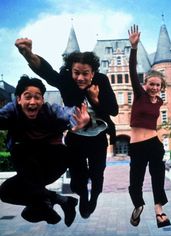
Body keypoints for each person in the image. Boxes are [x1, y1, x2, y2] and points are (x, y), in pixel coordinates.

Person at [15, 38, 119, 218]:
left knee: (97, 172)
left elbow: (114, 110)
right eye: (76, 72)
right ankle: (83, 195)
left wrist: (95, 99)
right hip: (76, 134)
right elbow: (47, 72)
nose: (80, 78)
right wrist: (28, 54)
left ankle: (94, 196)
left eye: (85, 74)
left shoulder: (101, 81)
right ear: (71, 70)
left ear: (93, 73)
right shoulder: (66, 78)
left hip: (98, 136)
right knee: (78, 177)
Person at [0, 75, 91, 227]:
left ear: (42, 100)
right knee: (6, 192)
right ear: (18, 100)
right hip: (29, 169)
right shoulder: (12, 110)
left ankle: (51, 203)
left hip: (52, 163)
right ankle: (63, 201)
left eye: (37, 98)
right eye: (27, 97)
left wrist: (80, 119)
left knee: (26, 152)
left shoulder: (50, 110)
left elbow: (68, 113)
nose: (32, 102)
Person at [128, 25, 171, 228]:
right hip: (137, 146)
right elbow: (131, 70)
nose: (154, 88)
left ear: (161, 88)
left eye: (158, 85)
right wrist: (134, 48)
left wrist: (160, 139)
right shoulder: (139, 95)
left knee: (158, 177)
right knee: (135, 182)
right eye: (151, 84)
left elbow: (157, 123)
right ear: (145, 84)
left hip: (154, 144)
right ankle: (138, 206)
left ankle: (158, 210)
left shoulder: (160, 103)